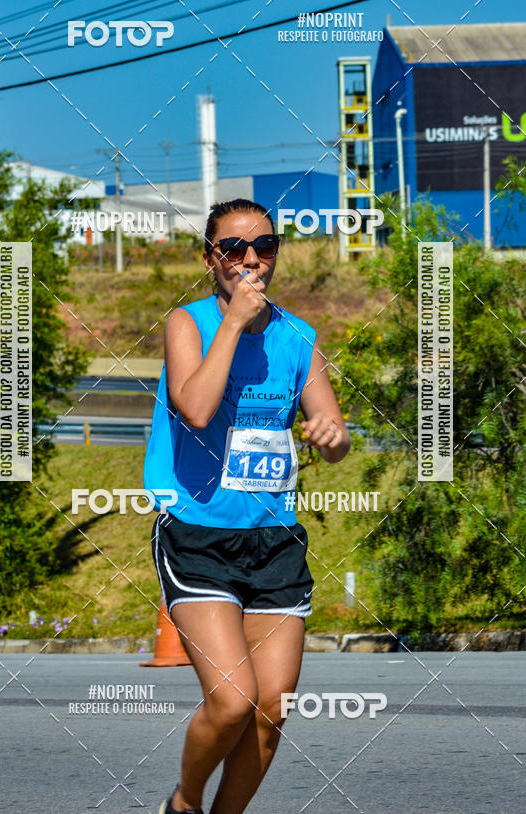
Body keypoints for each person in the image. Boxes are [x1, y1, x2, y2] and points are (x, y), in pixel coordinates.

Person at [143, 198, 350, 814]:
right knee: (232, 700)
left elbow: (330, 427)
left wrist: (333, 436)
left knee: (270, 709)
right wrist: (233, 322)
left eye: (264, 247)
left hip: (273, 541)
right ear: (211, 259)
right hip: (198, 533)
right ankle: (184, 803)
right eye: (234, 249)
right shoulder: (189, 323)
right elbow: (198, 409)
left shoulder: (297, 336)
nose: (251, 259)